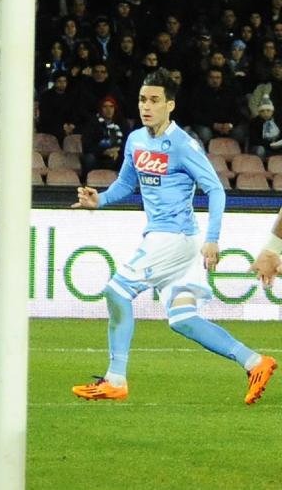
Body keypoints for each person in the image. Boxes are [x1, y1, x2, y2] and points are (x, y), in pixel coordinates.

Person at [70, 68, 276, 404]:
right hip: (173, 240)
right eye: (141, 99)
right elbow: (126, 183)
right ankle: (255, 361)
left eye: (154, 100)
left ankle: (115, 379)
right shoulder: (136, 140)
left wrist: (213, 238)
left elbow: (216, 190)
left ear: (170, 105)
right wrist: (100, 200)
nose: (145, 106)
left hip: (173, 237)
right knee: (184, 319)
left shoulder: (183, 145)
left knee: (116, 291)